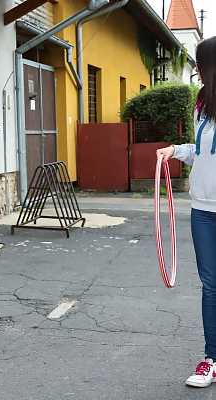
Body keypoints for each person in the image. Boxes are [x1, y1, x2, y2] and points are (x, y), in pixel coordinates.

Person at [157, 36, 216, 388]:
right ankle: (211, 358)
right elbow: (200, 153)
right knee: (212, 287)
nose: (195, 69)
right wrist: (173, 151)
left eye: (199, 63)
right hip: (203, 211)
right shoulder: (201, 106)